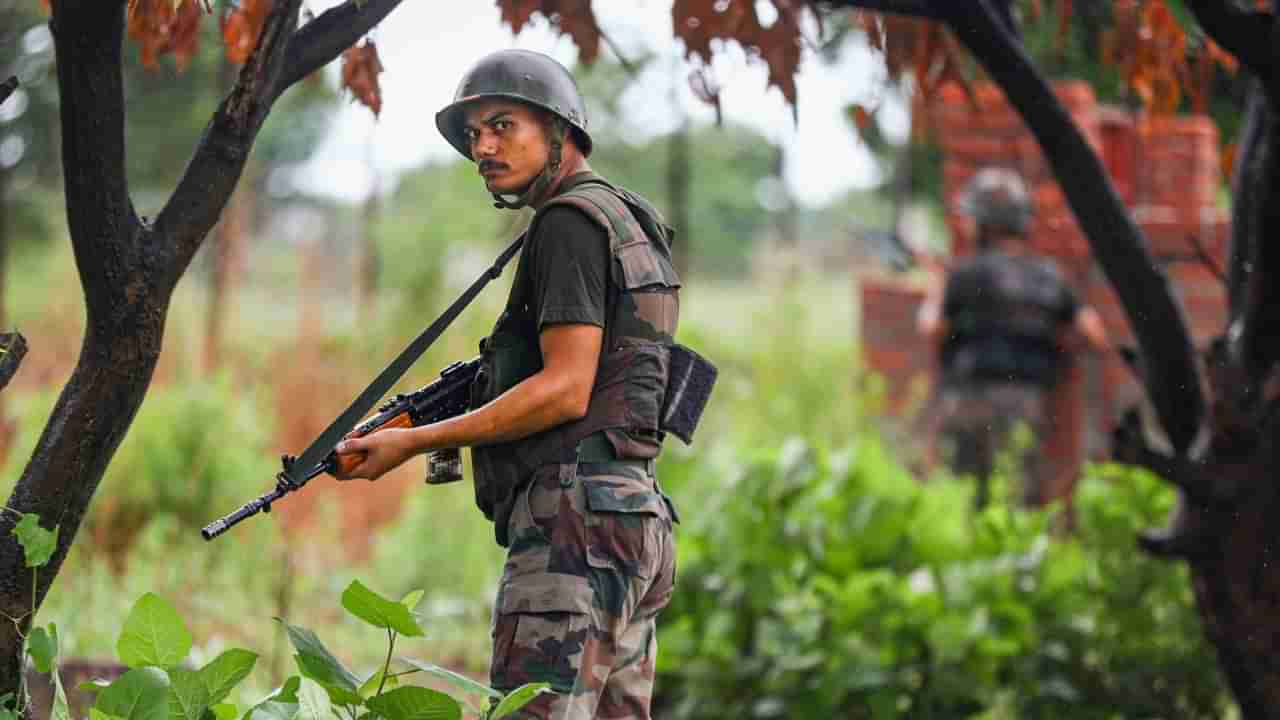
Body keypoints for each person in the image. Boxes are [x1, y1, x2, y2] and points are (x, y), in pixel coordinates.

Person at [331, 49, 683, 720]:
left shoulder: (566, 224)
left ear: (560, 130)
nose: (483, 147)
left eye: (502, 126)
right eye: (473, 135)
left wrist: (417, 442)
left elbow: (566, 389)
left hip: (575, 527)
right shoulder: (630, 220)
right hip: (637, 516)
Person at [916, 167, 1107, 508]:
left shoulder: (962, 275)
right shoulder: (1049, 277)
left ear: (983, 224)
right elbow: (1094, 336)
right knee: (1019, 509)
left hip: (967, 405)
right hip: (1028, 407)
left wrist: (936, 284)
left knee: (966, 507)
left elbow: (931, 329)